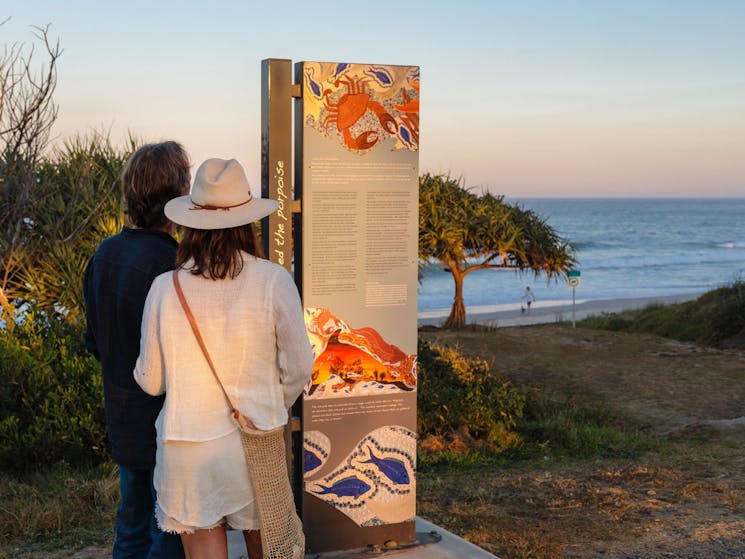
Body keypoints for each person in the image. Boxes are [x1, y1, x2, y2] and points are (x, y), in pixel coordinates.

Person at [133, 158, 313, 559]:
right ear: (247, 220)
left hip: (188, 449)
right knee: (272, 551)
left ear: (190, 223)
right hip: (255, 444)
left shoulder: (165, 288)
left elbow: (150, 381)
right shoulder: (273, 280)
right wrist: (267, 403)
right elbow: (300, 366)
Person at [83, 141, 189, 559]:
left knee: (131, 526)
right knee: (171, 530)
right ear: (177, 194)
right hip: (170, 423)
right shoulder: (174, 265)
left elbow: (94, 339)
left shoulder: (105, 253)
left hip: (122, 416)